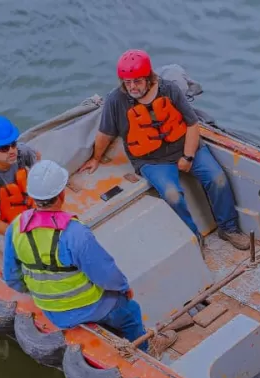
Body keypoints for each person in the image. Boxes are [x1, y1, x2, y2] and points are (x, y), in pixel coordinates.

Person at [79, 49, 250, 251]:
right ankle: (194, 238)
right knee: (172, 195)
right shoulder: (116, 101)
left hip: (185, 146)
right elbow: (105, 133)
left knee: (217, 178)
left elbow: (192, 125)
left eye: (137, 81)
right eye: (127, 82)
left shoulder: (169, 90)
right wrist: (95, 158)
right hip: (151, 160)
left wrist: (188, 156)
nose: (132, 87)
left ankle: (228, 228)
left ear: (149, 78)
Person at [2, 159, 175, 354]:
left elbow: (12, 277)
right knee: (130, 311)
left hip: (52, 311)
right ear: (61, 194)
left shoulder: (16, 227)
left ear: (32, 196)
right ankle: (145, 349)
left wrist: (41, 293)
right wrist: (124, 288)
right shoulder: (74, 233)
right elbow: (106, 274)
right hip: (87, 307)